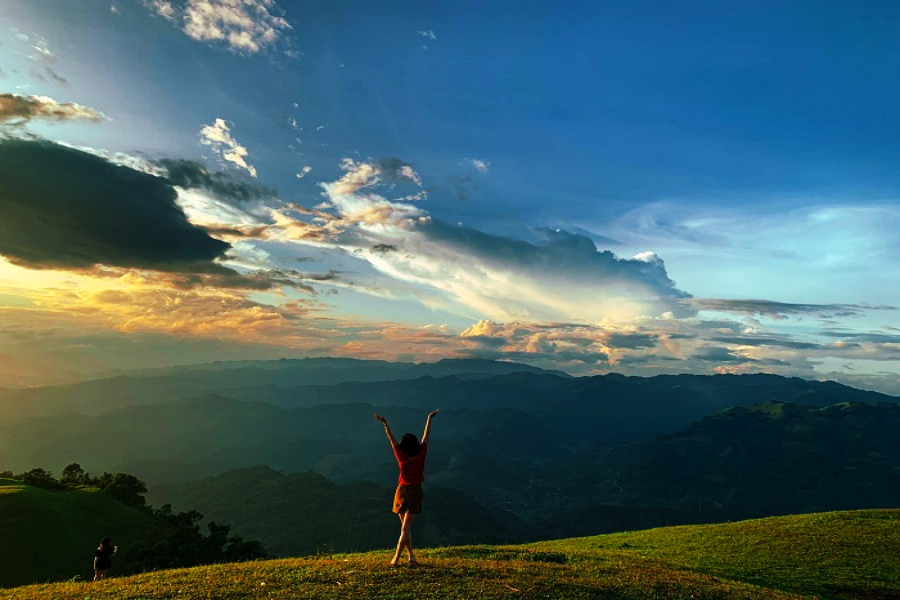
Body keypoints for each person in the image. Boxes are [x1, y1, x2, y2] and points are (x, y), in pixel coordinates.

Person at [374, 409, 439, 567]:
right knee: (406, 528)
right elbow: (426, 437)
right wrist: (429, 419)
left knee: (405, 528)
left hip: (401, 491)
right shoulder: (421, 455)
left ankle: (396, 559)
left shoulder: (401, 457)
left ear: (403, 445)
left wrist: (385, 424)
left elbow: (392, 439)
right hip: (415, 492)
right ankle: (410, 557)